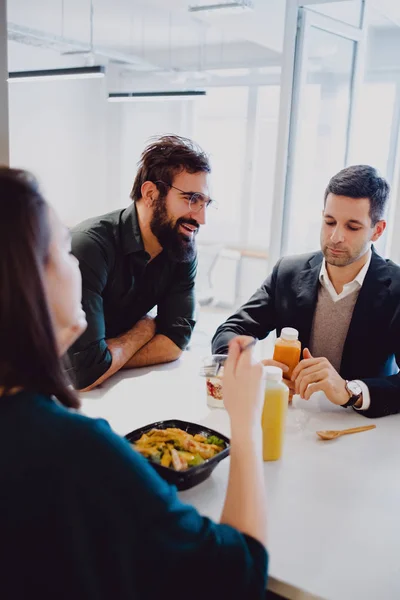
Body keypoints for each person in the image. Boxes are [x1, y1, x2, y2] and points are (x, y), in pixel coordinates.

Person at [0, 167, 268, 599]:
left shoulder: (182, 250)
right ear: (27, 284)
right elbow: (239, 575)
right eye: (63, 251)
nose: (76, 261)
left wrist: (118, 350)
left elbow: (175, 338)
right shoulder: (78, 454)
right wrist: (247, 425)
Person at [212, 165, 400, 418]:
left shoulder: (396, 287)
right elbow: (230, 331)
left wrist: (350, 390)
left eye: (352, 227)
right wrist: (249, 368)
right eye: (329, 222)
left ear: (377, 230)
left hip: (361, 430)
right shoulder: (288, 272)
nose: (335, 237)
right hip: (291, 419)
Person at [67, 135, 213, 391]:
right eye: (191, 200)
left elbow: (174, 342)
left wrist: (108, 361)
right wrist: (144, 331)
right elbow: (83, 375)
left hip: (114, 388)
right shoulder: (89, 247)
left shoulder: (179, 246)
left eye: (205, 204)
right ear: (150, 194)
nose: (201, 219)